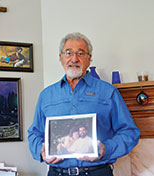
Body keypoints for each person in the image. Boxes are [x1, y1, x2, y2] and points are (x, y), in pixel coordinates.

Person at [27, 32, 140, 176]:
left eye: (80, 53)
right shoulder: (46, 95)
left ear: (89, 58)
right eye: (68, 53)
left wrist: (106, 149)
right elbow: (34, 133)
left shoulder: (108, 92)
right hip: (57, 172)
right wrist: (41, 151)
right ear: (60, 57)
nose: (74, 59)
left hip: (97, 172)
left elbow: (130, 132)